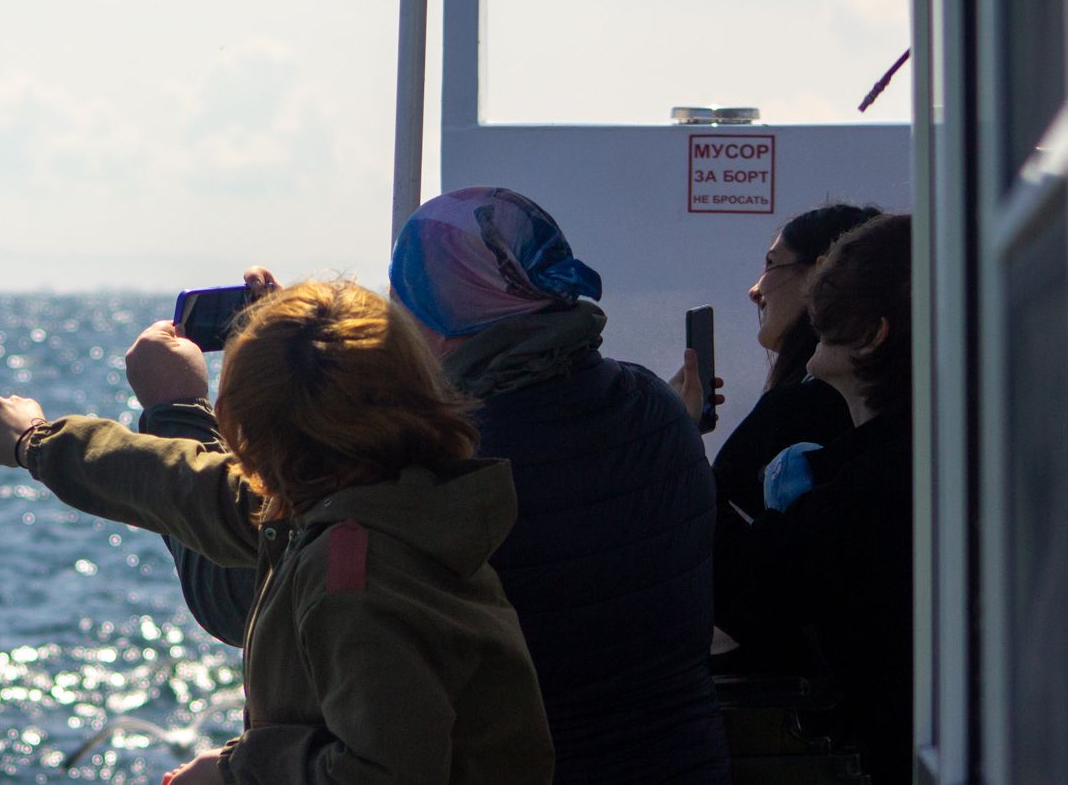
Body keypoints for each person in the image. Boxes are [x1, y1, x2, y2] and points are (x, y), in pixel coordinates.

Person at [129, 188, 729, 785]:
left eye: (401, 299)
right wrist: (307, 355)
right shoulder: (657, 406)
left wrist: (177, 411)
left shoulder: (450, 462)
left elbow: (242, 600)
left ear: (437, 316)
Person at [0, 279, 554, 784]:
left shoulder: (355, 576)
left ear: (250, 428)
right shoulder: (382, 497)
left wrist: (235, 772)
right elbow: (179, 483)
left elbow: (386, 773)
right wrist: (37, 443)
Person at [712, 213, 914, 784]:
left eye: (830, 301)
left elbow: (749, 592)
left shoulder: (873, 487)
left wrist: (677, 459)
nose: (813, 315)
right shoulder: (907, 459)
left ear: (873, 334)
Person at [701, 203, 882, 521]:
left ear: (821, 273)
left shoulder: (797, 409)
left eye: (771, 265)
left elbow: (710, 530)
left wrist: (676, 432)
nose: (755, 290)